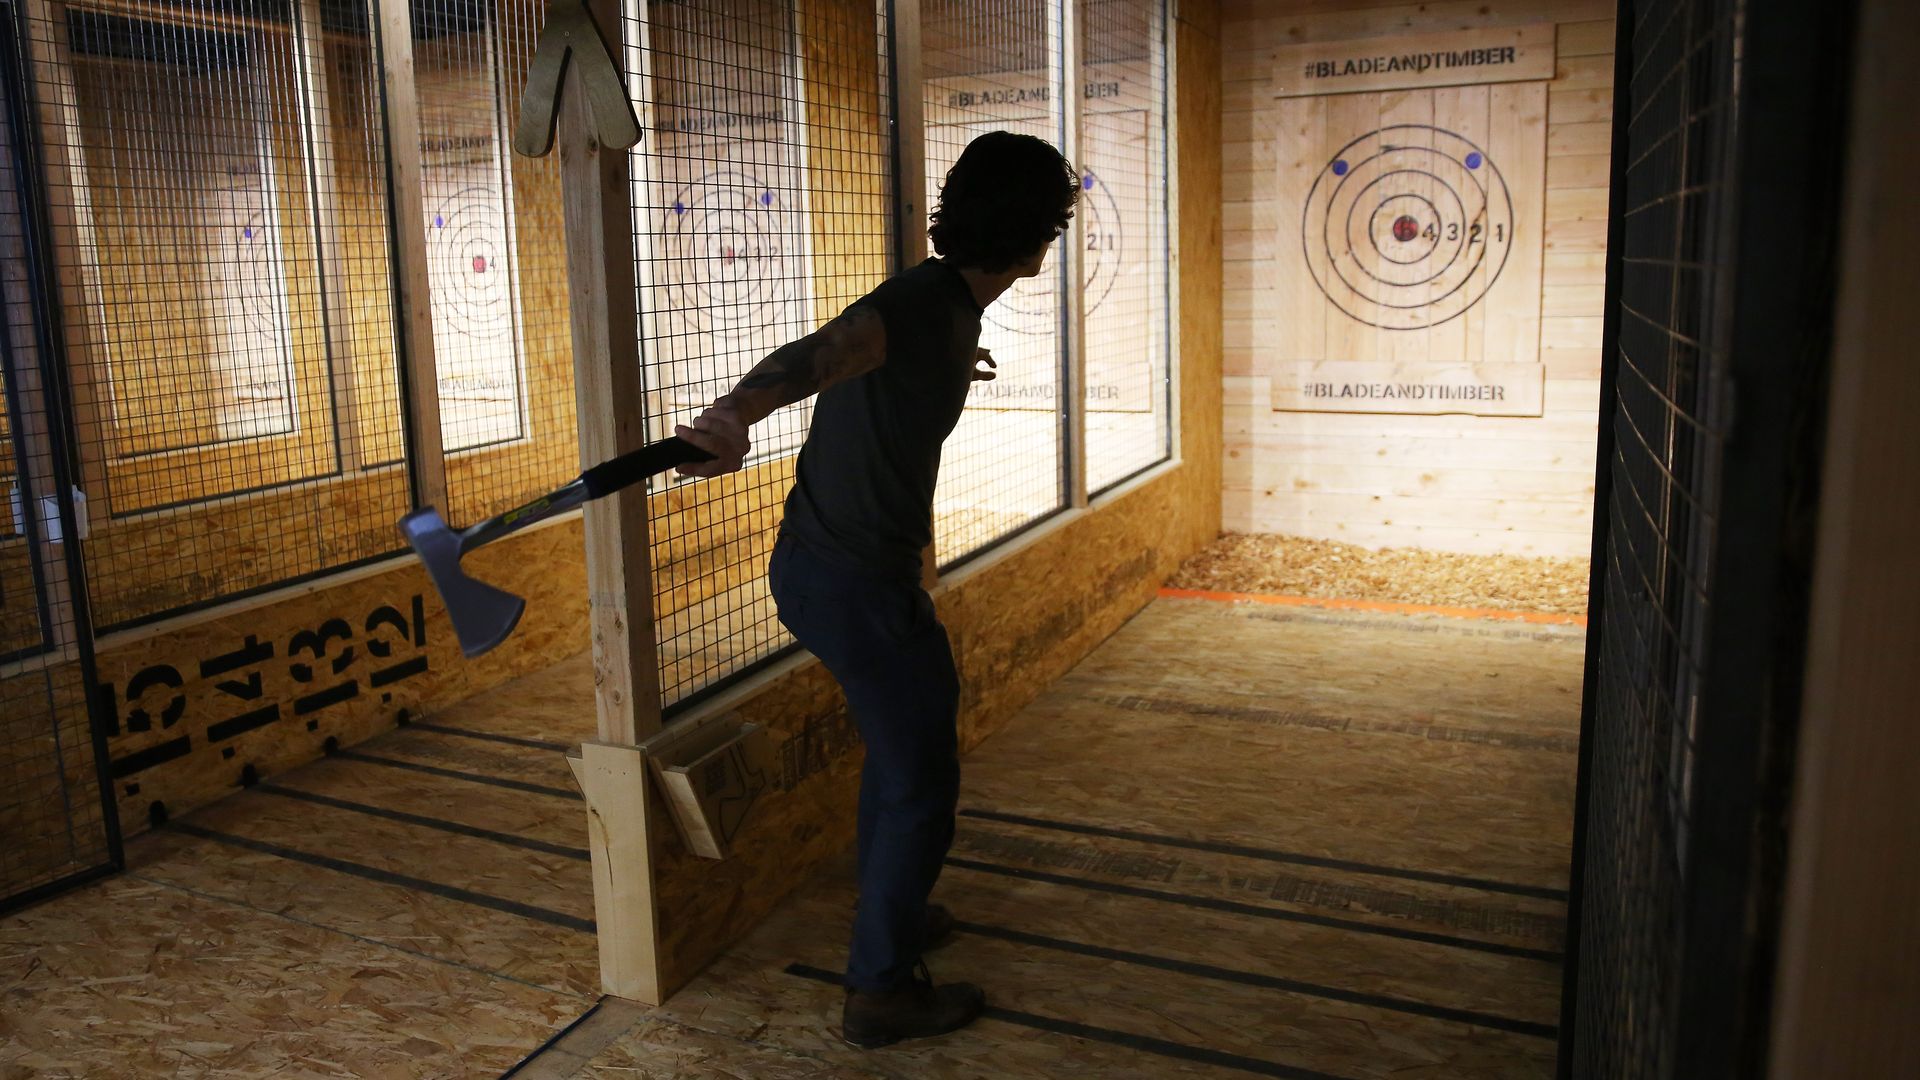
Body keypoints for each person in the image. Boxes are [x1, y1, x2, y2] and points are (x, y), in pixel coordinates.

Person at [671, 130, 1079, 1048]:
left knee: (905, 759)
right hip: (854, 582)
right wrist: (733, 414)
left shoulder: (946, 311)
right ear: (1038, 237)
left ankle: (894, 909)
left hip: (837, 573)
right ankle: (882, 989)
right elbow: (817, 355)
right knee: (923, 778)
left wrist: (946, 368)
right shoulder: (918, 303)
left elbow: (877, 356)